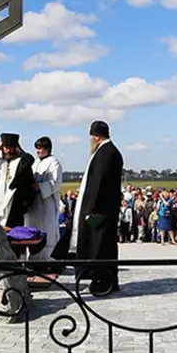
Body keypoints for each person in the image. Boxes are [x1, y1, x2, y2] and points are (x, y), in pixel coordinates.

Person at [53, 120, 123, 296]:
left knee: (100, 246)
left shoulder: (106, 153)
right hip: (102, 210)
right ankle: (104, 279)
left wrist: (91, 209)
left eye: (91, 136)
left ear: (96, 136)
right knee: (101, 245)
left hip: (100, 211)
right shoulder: (105, 151)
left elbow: (99, 184)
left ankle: (103, 280)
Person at [0, 133, 36, 228]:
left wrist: (20, 150)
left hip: (14, 204)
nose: (8, 150)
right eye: (6, 147)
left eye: (11, 148)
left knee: (13, 233)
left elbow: (30, 159)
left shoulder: (21, 162)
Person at [25, 136, 63, 259]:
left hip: (47, 203)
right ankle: (34, 258)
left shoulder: (54, 162)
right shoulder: (35, 163)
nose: (38, 151)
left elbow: (56, 183)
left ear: (47, 149)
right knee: (33, 230)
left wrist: (40, 187)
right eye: (37, 148)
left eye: (40, 148)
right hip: (35, 204)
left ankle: (49, 260)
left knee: (48, 230)